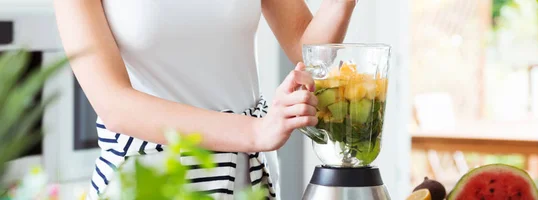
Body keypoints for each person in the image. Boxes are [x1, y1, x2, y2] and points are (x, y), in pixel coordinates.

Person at [53, 0, 356, 199]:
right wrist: (255, 131)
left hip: (244, 177)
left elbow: (304, 46)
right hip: (149, 180)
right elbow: (114, 104)